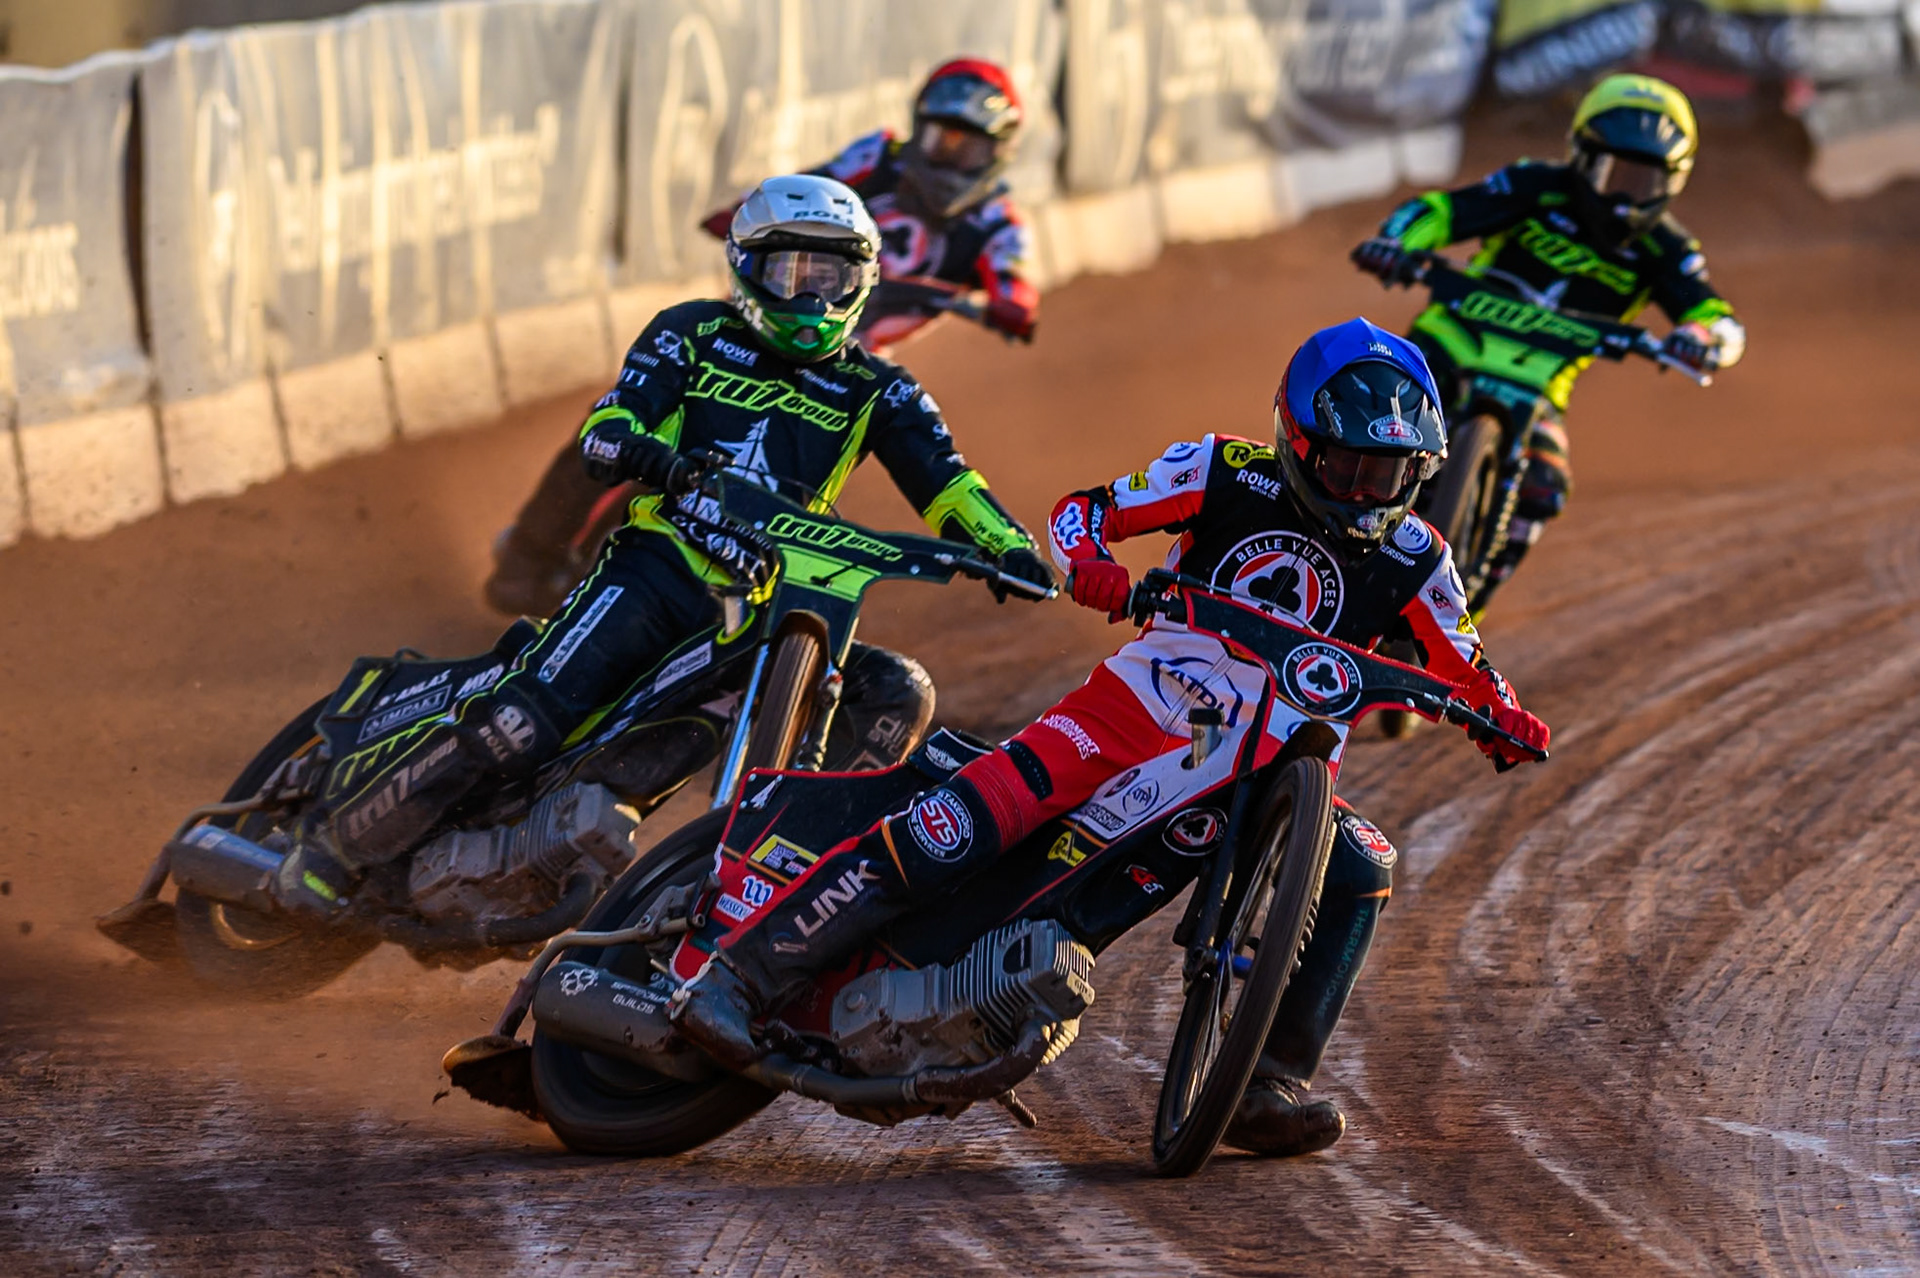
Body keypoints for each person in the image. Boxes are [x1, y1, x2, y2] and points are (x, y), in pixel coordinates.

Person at [672, 318, 1551, 1157]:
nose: (1367, 491)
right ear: (1297, 437)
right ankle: (738, 973)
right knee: (967, 824)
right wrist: (1092, 562)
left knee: (1363, 864)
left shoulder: (1421, 557)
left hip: (1271, 760)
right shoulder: (1219, 469)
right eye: (1350, 466)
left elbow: (1466, 661)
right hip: (1137, 706)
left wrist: (1501, 712)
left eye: (1392, 474)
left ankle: (1264, 1084)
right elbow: (1083, 511)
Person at [274, 174, 1054, 912]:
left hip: (764, 606)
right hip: (656, 570)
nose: (811, 296)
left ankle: (782, 882)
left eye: (832, 276)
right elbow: (611, 426)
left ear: (864, 283)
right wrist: (655, 459)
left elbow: (949, 485)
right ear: (747, 271)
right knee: (522, 719)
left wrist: (1006, 546)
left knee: (896, 694)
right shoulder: (694, 332)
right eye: (790, 274)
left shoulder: (882, 389)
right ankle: (330, 851)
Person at [486, 58, 1041, 617]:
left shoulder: (999, 223)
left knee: (783, 477)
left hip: (843, 361)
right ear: (917, 124)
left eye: (966, 146)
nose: (947, 155)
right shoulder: (877, 156)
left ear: (999, 152)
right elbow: (806, 190)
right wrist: (741, 213)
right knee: (622, 417)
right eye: (939, 137)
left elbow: (1016, 282)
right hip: (755, 322)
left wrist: (1010, 303)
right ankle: (529, 554)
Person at [1353, 72, 1745, 595]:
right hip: (1447, 345)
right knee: (1367, 423)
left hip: (1542, 386)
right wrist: (1398, 240)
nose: (1624, 196)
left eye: (1643, 181)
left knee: (1543, 487)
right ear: (1580, 156)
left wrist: (1703, 338)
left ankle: (1468, 608)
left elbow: (1712, 311)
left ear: (1673, 181)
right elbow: (1447, 212)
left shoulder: (1668, 249)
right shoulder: (1534, 185)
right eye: (1612, 173)